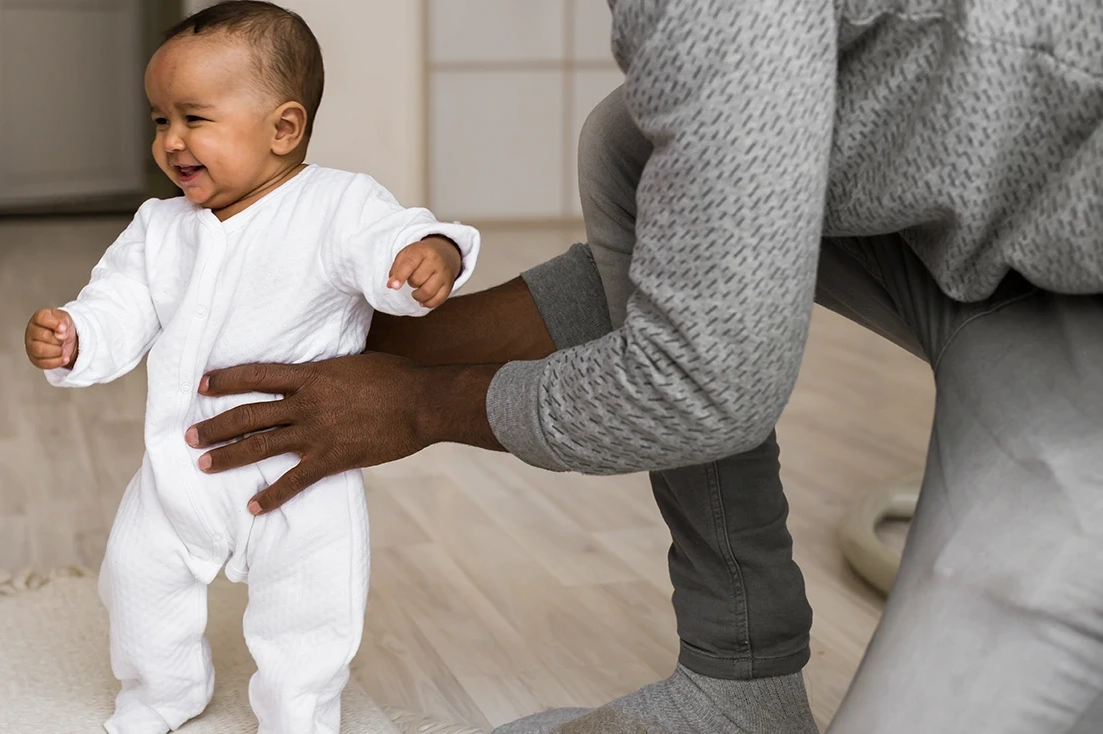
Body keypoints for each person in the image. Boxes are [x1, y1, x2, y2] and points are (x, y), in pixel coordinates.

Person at [182, 1, 1103, 732]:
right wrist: (348, 340)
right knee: (628, 145)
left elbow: (703, 385)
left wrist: (418, 408)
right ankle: (739, 690)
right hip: (1027, 258)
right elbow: (707, 254)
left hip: (1072, 311)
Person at [22, 3, 480, 733]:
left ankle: (299, 714)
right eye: (158, 120)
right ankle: (160, 694)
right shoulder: (159, 228)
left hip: (302, 466)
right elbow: (121, 302)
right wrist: (79, 335)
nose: (171, 142)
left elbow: (388, 241)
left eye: (193, 119)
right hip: (182, 464)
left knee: (311, 607)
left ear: (284, 128)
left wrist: (428, 254)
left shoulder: (335, 204)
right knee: (137, 581)